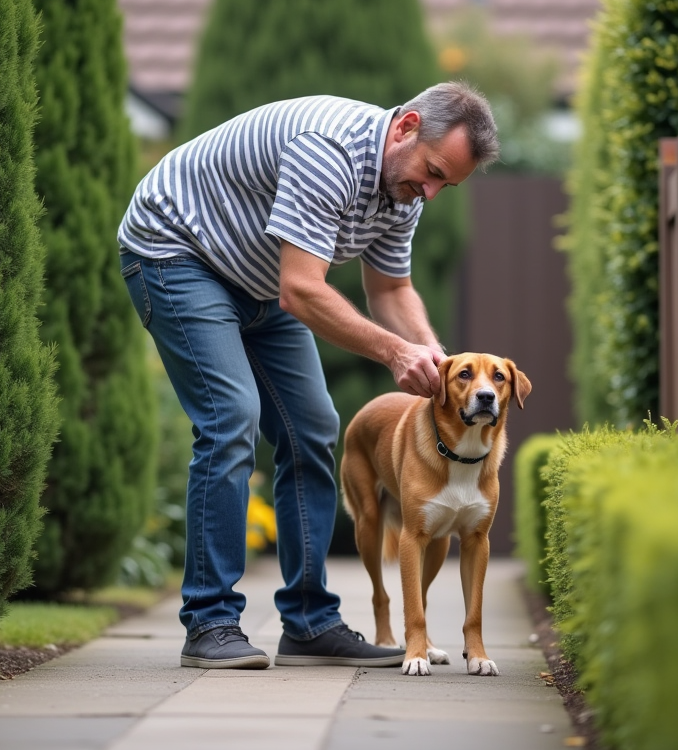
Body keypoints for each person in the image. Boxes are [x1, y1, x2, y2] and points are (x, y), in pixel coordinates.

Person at [117, 81, 500, 669]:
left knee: (315, 427)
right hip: (178, 253)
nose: (430, 192)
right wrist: (396, 355)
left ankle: (309, 619)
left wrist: (440, 363)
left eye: (444, 184)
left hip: (260, 283)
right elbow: (301, 290)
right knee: (231, 418)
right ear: (405, 127)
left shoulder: (403, 191)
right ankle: (211, 622)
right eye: (432, 172)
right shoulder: (331, 151)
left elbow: (391, 288)